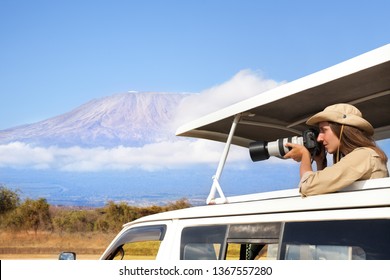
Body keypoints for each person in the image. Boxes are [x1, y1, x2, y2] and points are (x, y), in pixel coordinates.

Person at [284, 103, 388, 196]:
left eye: (324, 130)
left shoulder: (364, 155)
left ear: (342, 130)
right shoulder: (362, 156)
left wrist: (304, 156)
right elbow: (322, 189)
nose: (319, 138)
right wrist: (320, 162)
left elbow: (308, 186)